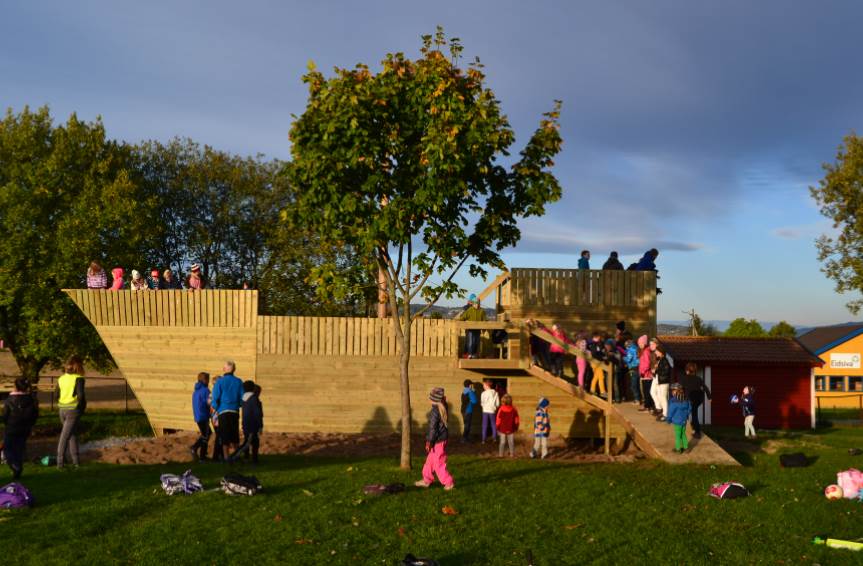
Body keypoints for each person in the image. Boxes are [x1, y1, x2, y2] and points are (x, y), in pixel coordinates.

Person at [415, 387, 454, 490]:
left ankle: (448, 482)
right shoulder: (442, 406)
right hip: (439, 440)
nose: (429, 398)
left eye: (430, 397)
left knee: (439, 463)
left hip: (438, 441)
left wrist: (429, 441)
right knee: (430, 461)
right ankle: (427, 480)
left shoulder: (435, 412)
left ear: (434, 399)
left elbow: (433, 429)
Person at [2, 378, 38, 479]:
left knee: (7, 449)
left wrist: (6, 423)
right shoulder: (31, 399)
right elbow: (35, 414)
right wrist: (31, 424)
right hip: (25, 428)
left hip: (12, 427)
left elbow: (5, 415)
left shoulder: (10, 399)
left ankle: (15, 466)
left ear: (16, 386)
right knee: (19, 448)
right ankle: (18, 467)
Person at [57, 355, 86, 469]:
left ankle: (76, 462)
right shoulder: (79, 378)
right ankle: (60, 463)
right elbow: (81, 395)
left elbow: (56, 395)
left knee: (72, 435)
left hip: (62, 410)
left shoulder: (61, 378)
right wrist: (82, 408)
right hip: (73, 410)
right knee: (65, 437)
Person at [210, 361, 244, 460]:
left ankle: (226, 457)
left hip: (223, 411)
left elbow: (215, 397)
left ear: (224, 369)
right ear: (234, 370)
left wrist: (214, 407)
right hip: (234, 411)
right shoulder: (238, 381)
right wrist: (238, 405)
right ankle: (236, 455)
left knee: (224, 434)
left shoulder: (220, 382)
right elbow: (242, 397)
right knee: (234, 434)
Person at [232, 381, 263, 463]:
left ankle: (252, 459)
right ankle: (233, 457)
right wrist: (260, 425)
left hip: (246, 423)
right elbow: (257, 413)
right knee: (247, 444)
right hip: (252, 425)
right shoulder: (253, 399)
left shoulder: (244, 399)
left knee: (254, 442)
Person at [680, 363, 711, 438]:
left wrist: (679, 398)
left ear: (687, 371)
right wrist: (709, 398)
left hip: (689, 399)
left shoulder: (684, 378)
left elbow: (680, 389)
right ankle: (696, 430)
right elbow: (706, 388)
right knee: (694, 414)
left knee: (686, 414)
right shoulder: (698, 378)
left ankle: (694, 430)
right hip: (698, 399)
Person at [190, 372, 211, 460]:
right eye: (208, 380)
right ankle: (201, 455)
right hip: (203, 415)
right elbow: (209, 402)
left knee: (205, 433)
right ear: (204, 380)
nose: (208, 382)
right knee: (206, 434)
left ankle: (196, 448)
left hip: (198, 415)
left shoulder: (196, 391)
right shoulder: (206, 390)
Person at [666, 383, 691, 454]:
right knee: (683, 434)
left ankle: (678, 449)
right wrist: (686, 415)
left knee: (677, 435)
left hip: (677, 422)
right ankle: (686, 448)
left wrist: (668, 420)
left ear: (676, 392)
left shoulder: (673, 402)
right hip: (684, 421)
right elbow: (690, 408)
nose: (672, 392)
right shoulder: (686, 400)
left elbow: (670, 412)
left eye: (673, 390)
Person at [459, 294, 486, 358]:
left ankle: (474, 354)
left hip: (478, 329)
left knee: (476, 342)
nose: (477, 304)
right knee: (470, 342)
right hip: (470, 329)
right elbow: (462, 317)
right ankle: (470, 354)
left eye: (478, 303)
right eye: (475, 303)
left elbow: (484, 320)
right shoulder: (470, 310)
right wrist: (463, 322)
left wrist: (484, 329)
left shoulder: (482, 311)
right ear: (473, 304)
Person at [653, 343, 672, 421]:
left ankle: (665, 414)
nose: (655, 352)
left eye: (656, 351)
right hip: (661, 381)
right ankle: (664, 413)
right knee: (661, 397)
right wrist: (656, 370)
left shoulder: (664, 360)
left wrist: (657, 370)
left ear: (661, 352)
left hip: (664, 382)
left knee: (663, 398)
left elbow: (666, 371)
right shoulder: (661, 360)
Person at [587, 332, 609, 397]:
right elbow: (594, 354)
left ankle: (592, 389)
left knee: (596, 376)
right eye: (598, 337)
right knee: (601, 376)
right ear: (595, 337)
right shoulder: (593, 345)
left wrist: (603, 355)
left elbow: (600, 352)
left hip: (598, 363)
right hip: (595, 362)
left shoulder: (598, 344)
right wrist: (602, 357)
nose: (599, 338)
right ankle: (602, 391)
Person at [638, 335, 655, 413]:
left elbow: (647, 363)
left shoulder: (645, 352)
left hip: (646, 375)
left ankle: (648, 407)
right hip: (646, 375)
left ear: (644, 343)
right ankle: (648, 406)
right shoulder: (646, 351)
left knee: (647, 391)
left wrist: (642, 372)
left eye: (640, 343)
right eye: (639, 344)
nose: (639, 345)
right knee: (647, 391)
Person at [624, 336, 641, 405]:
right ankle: (639, 399)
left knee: (633, 385)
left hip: (633, 368)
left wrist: (623, 358)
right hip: (638, 367)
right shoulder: (636, 348)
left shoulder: (630, 350)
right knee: (637, 384)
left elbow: (629, 359)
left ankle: (637, 400)